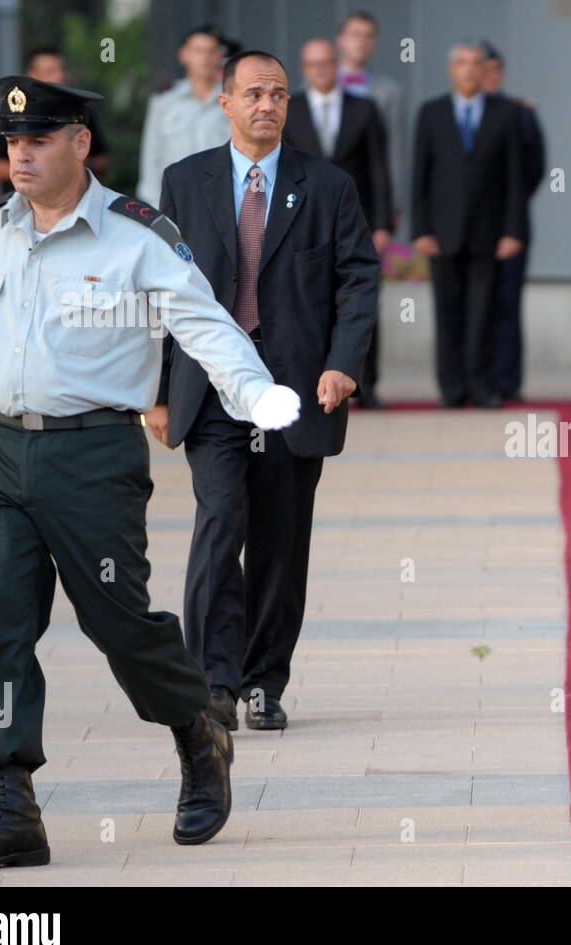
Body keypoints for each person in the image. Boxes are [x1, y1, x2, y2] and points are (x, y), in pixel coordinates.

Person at [0, 76, 302, 873]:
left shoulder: (137, 235)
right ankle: (11, 807)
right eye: (10, 143)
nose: (19, 155)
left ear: (80, 145)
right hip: (0, 456)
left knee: (119, 626)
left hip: (92, 455)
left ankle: (197, 730)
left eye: (36, 141)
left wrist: (256, 392)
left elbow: (203, 324)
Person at [146, 50, 380, 734]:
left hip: (296, 391)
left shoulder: (328, 186)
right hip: (211, 389)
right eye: (253, 93)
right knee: (221, 524)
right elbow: (161, 290)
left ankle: (261, 681)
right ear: (225, 103)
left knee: (280, 542)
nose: (266, 105)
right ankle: (211, 682)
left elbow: (359, 280)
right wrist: (157, 391)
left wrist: (342, 363)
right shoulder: (184, 183)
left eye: (278, 94)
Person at [411, 41, 525, 408]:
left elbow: (514, 179)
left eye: (476, 63)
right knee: (447, 313)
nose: (469, 69)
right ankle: (451, 387)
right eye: (462, 62)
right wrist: (421, 229)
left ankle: (481, 385)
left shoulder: (505, 113)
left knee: (483, 313)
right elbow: (420, 176)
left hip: (488, 233)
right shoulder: (432, 113)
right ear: (451, 69)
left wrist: (512, 230)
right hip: (442, 234)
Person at [283, 36, 393, 409]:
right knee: (311, 301)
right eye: (313, 64)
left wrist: (382, 223)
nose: (321, 70)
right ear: (304, 68)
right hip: (303, 220)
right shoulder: (289, 108)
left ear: (338, 66)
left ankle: (367, 382)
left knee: (360, 297)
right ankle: (316, 380)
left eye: (327, 63)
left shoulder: (365, 109)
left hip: (355, 219)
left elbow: (379, 168)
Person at [481, 40, 546, 402]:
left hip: (510, 222)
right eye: (482, 70)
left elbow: (534, 167)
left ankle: (505, 379)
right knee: (474, 304)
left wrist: (511, 208)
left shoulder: (520, 113)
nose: (489, 77)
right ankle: (474, 377)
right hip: (469, 226)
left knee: (506, 302)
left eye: (494, 70)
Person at [0, 47, 110, 193]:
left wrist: (69, 162)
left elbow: (102, 161)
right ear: (32, 74)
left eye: (39, 142)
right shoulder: (13, 113)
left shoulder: (77, 111)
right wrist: (34, 170)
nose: (59, 77)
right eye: (13, 142)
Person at [137, 24, 229, 206]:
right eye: (198, 51)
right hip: (176, 203)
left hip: (223, 202)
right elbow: (152, 156)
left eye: (211, 51)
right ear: (184, 55)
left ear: (220, 56)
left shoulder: (231, 101)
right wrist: (157, 209)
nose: (205, 57)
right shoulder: (164, 102)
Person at [337, 11, 405, 231]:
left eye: (369, 36)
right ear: (341, 39)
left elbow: (393, 148)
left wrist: (394, 203)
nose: (362, 42)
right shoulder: (315, 86)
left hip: (369, 193)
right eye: (356, 34)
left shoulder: (388, 91)